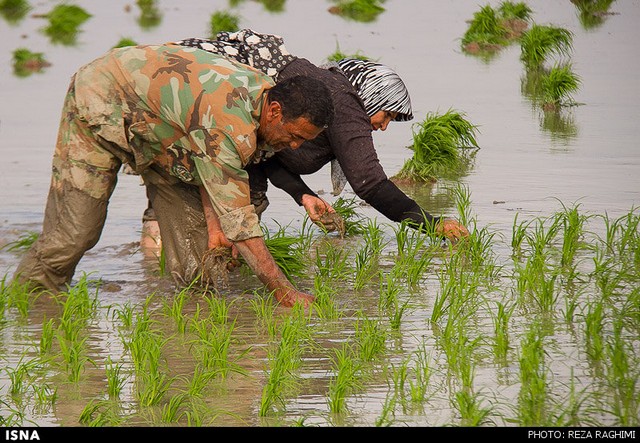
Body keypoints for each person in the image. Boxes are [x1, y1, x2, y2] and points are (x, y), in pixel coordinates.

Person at [12, 43, 334, 308]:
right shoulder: (230, 121)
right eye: (294, 136)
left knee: (198, 262)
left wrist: (212, 222)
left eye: (303, 141)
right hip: (101, 101)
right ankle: (26, 309)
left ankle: (184, 342)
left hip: (164, 136)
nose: (294, 146)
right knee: (76, 233)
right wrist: (283, 291)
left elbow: (210, 160)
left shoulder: (262, 99)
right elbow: (240, 222)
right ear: (275, 111)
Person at [165, 30, 470, 242]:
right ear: (371, 97)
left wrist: (303, 195)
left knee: (178, 209)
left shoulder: (323, 96)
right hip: (196, 119)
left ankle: (160, 275)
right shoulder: (345, 105)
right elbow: (371, 185)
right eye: (387, 114)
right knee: (212, 219)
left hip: (185, 121)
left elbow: (266, 157)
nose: (384, 126)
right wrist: (434, 225)